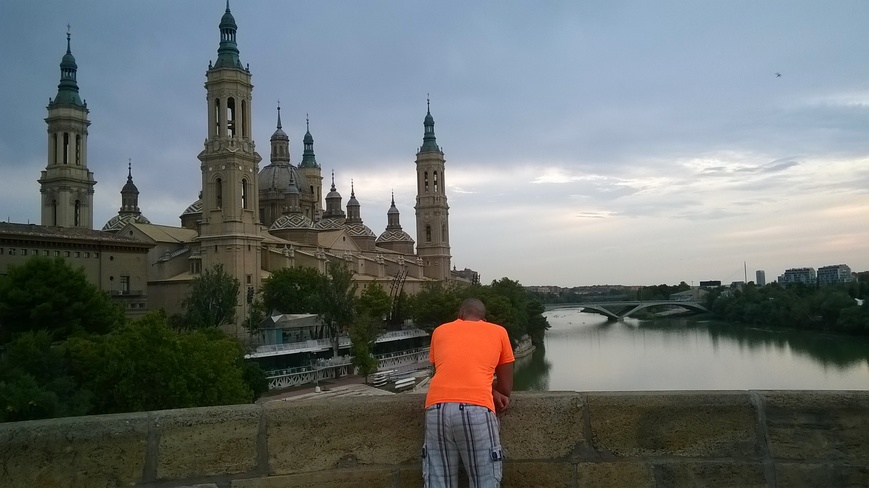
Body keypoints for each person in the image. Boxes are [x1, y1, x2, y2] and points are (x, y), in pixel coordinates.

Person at [423, 298, 515, 488]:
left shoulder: (439, 331)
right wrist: (492, 390)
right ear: (484, 318)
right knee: (485, 481)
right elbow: (505, 389)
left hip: (436, 407)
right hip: (476, 408)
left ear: (460, 314)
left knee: (438, 482)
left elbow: (447, 372)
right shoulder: (498, 332)